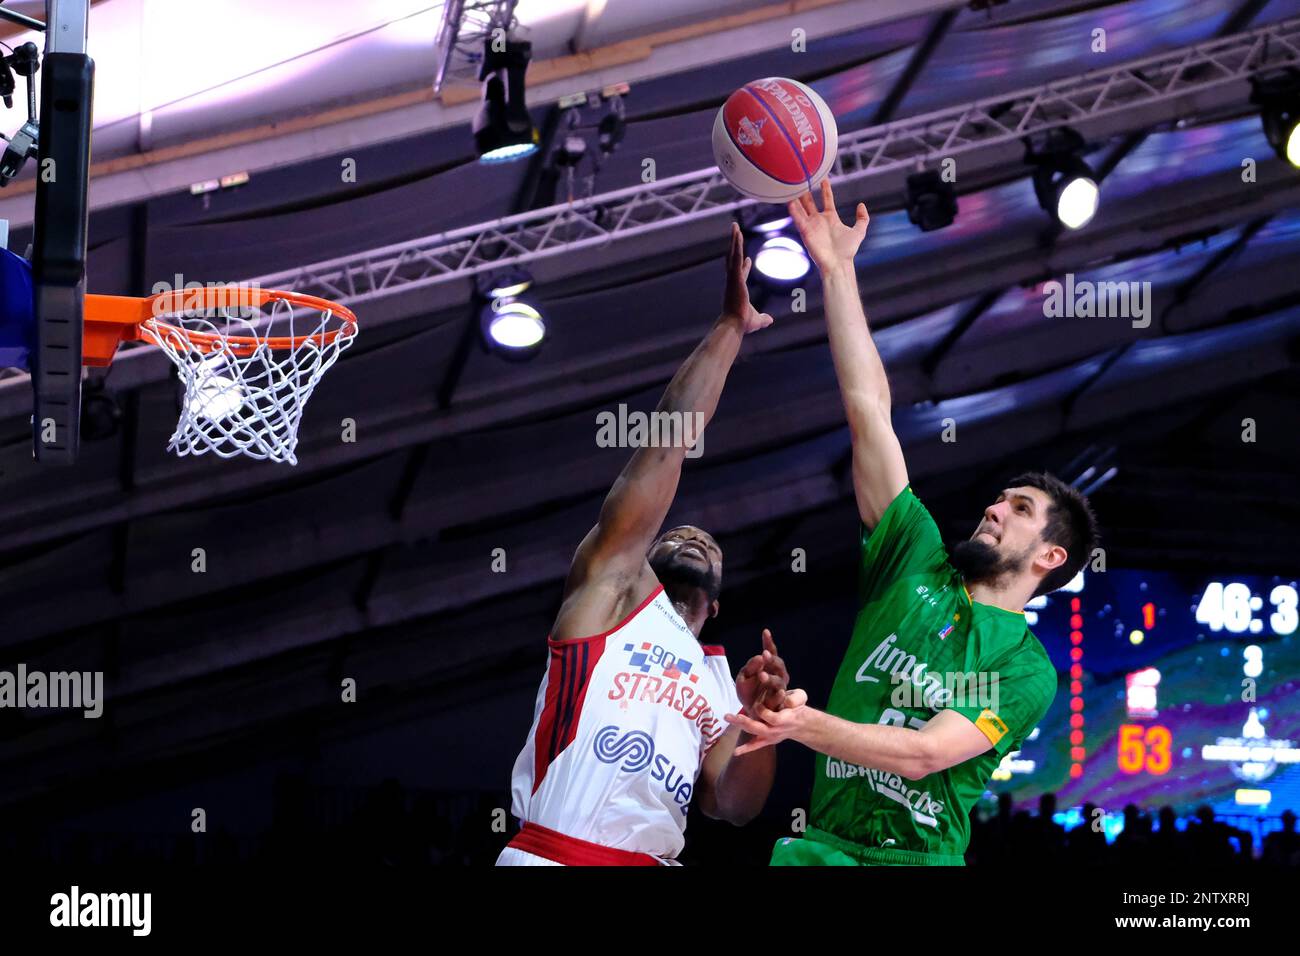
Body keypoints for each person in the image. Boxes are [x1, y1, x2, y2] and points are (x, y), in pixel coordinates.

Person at [725, 180, 1100, 867]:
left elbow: (928, 755)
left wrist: (802, 723)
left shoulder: (1025, 669)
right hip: (822, 851)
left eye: (1020, 510)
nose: (994, 507)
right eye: (1000, 497)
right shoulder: (913, 556)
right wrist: (837, 272)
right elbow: (869, 409)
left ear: (1050, 557)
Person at [497, 224, 791, 866]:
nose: (689, 535)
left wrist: (759, 725)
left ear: (715, 606)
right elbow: (664, 445)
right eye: (677, 533)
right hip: (554, 855)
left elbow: (732, 807)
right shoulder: (611, 590)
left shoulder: (720, 679)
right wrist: (728, 331)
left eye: (706, 541)